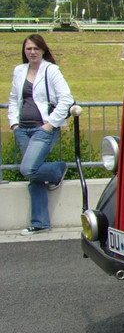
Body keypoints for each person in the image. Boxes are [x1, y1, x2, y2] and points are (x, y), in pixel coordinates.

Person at [7, 34, 74, 235]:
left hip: (42, 129)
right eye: (29, 49)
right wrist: (14, 123)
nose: (33, 52)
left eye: (36, 48)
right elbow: (13, 99)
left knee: (28, 168)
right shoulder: (19, 70)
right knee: (34, 176)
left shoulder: (50, 70)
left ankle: (57, 170)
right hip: (23, 130)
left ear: (43, 50)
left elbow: (66, 98)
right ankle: (40, 222)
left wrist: (50, 124)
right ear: (24, 51)